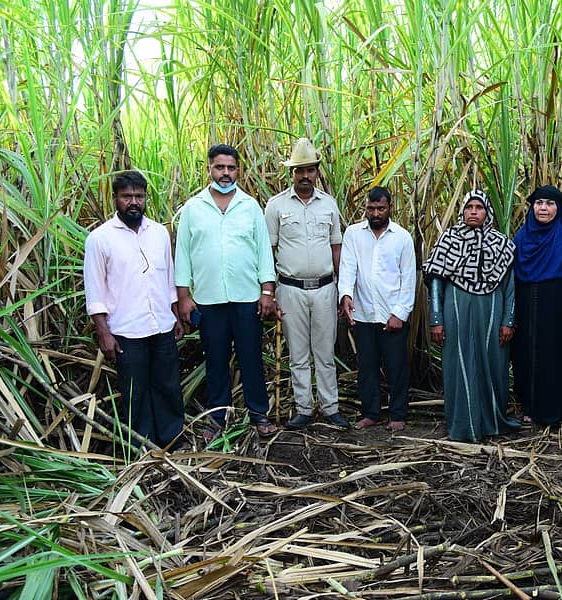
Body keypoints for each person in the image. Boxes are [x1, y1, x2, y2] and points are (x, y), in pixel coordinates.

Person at [175, 144, 279, 440]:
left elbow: (263, 253)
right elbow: (182, 255)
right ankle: (217, 418)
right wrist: (184, 296)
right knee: (216, 360)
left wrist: (267, 292)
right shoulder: (194, 208)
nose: (225, 173)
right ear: (209, 168)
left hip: (246, 298)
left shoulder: (250, 207)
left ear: (238, 170)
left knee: (251, 359)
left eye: (231, 168)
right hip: (209, 301)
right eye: (219, 167)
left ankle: (259, 414)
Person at [83, 170, 185, 448]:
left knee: (167, 386)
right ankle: (141, 447)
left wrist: (175, 316)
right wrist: (104, 333)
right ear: (114, 199)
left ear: (145, 199)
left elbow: (167, 279)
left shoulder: (159, 233)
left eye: (139, 196)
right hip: (126, 331)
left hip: (162, 325)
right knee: (134, 393)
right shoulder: (99, 239)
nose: (133, 202)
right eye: (127, 196)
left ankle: (172, 440)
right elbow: (94, 291)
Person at [423, 189, 521, 442]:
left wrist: (508, 321)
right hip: (456, 308)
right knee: (458, 363)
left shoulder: (501, 244)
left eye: (479, 207)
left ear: (487, 212)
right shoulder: (447, 240)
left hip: (491, 311)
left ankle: (491, 422)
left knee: (493, 364)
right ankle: (462, 423)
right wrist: (436, 319)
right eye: (469, 207)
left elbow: (510, 286)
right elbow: (435, 283)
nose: (473, 212)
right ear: (462, 211)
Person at [264, 138, 349, 429]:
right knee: (298, 353)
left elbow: (336, 247)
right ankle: (303, 408)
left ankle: (330, 408)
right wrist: (269, 293)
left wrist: (341, 288)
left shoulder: (329, 204)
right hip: (290, 289)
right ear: (292, 173)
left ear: (316, 171)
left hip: (325, 288)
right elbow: (268, 251)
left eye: (310, 170)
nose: (304, 176)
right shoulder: (275, 206)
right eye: (299, 170)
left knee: (325, 353)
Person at [338, 186, 417, 432]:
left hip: (391, 315)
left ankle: (397, 415)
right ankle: (370, 413)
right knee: (367, 368)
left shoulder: (402, 237)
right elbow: (348, 267)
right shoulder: (353, 234)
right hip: (363, 313)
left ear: (390, 208)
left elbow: (408, 279)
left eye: (380, 208)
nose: (375, 213)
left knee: (396, 367)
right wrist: (346, 295)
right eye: (371, 208)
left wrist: (400, 314)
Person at [511, 185, 562, 426]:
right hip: (526, 305)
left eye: (550, 203)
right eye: (539, 203)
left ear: (558, 208)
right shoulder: (522, 237)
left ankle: (560, 410)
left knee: (556, 355)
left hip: (558, 305)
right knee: (527, 355)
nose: (543, 208)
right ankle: (531, 406)